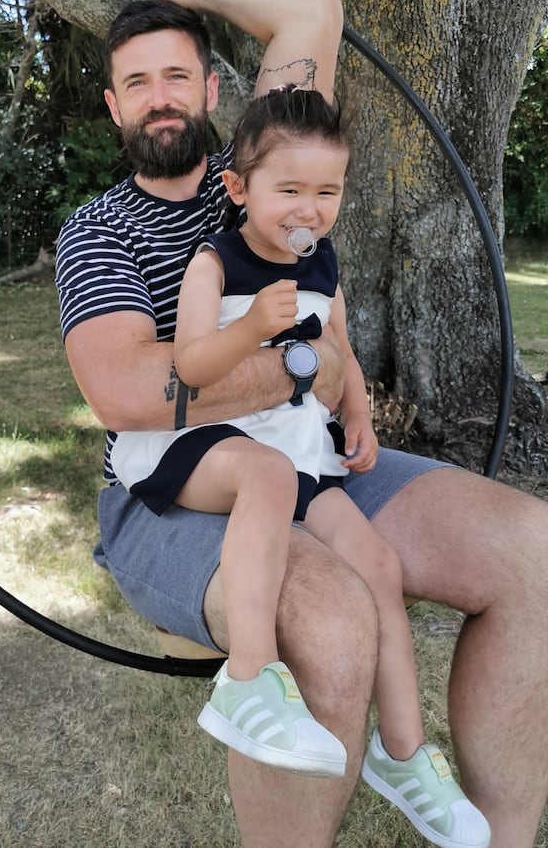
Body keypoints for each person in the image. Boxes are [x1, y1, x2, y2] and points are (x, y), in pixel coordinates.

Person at [55, 0, 548, 847]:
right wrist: (298, 367)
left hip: (308, 456)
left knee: (534, 552)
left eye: (176, 74)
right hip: (176, 488)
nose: (159, 96)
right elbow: (129, 394)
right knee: (329, 616)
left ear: (212, 91)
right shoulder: (100, 231)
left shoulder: (274, 161)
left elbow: (310, 10)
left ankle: (501, 836)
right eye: (136, 83)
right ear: (116, 108)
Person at [107, 84, 490, 846]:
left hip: (288, 437)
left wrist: (354, 412)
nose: (309, 210)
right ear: (239, 188)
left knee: (376, 563)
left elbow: (337, 343)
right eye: (289, 190)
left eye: (327, 191)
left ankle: (405, 750)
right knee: (270, 478)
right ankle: (248, 680)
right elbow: (188, 363)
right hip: (197, 443)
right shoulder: (215, 261)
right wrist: (251, 324)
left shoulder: (323, 261)